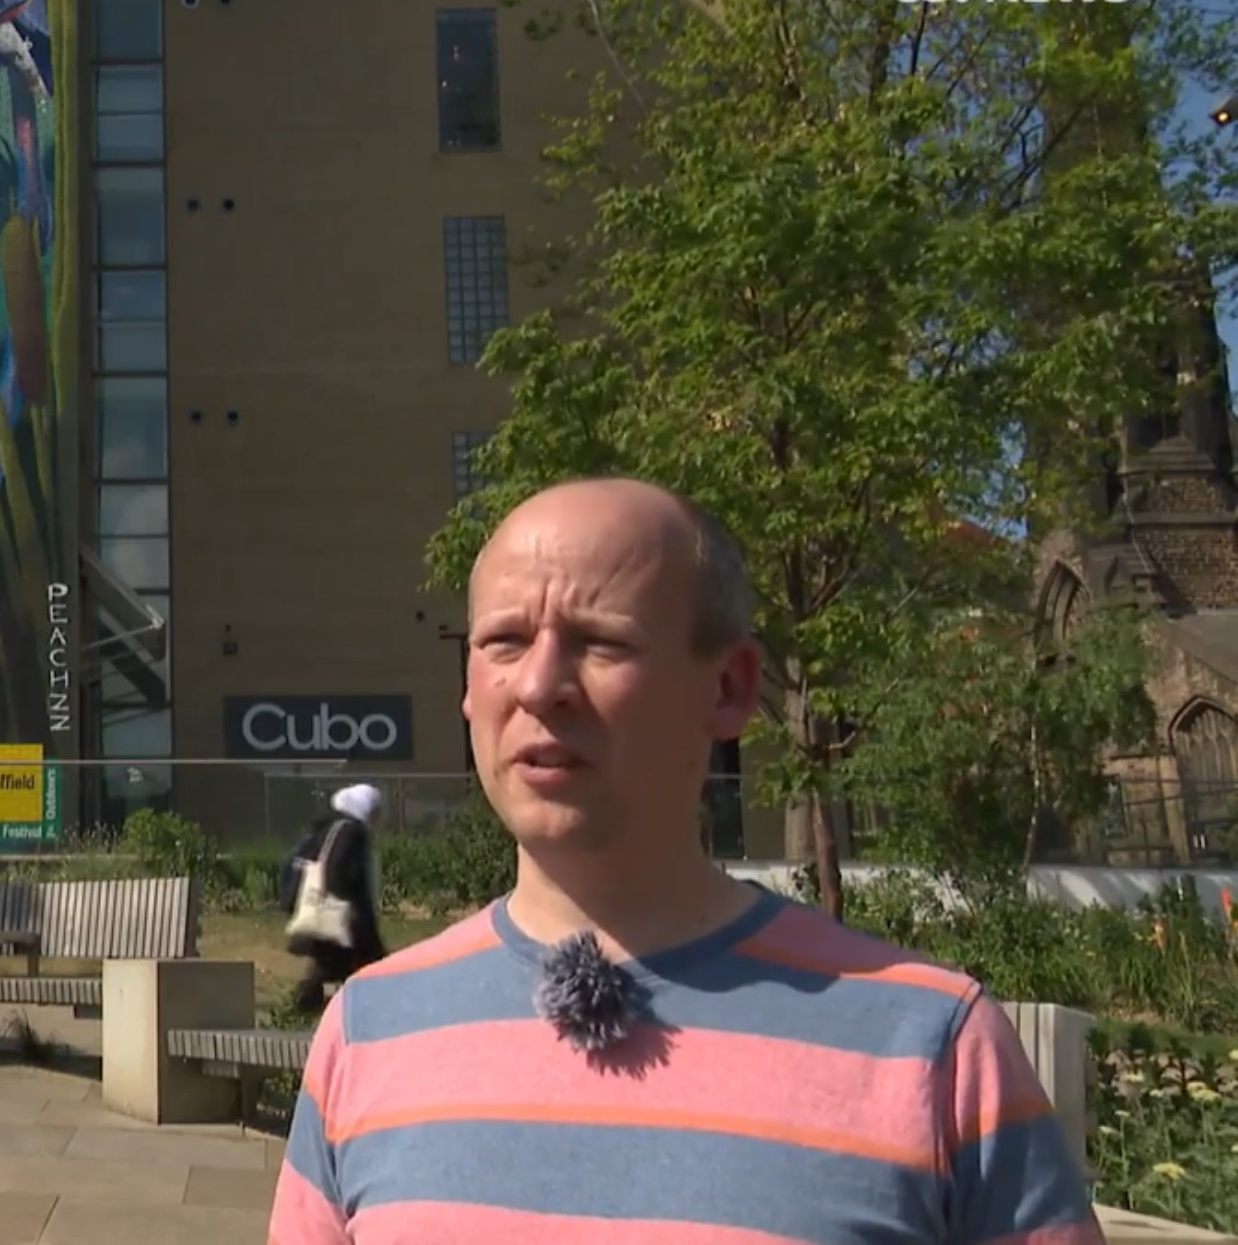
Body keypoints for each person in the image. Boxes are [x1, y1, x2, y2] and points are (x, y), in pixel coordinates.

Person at [270, 478, 1102, 1244]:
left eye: (600, 642)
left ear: (731, 688)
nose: (540, 685)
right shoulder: (370, 1032)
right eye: (505, 641)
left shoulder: (934, 1050)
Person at [283, 783, 387, 1015]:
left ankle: (302, 1015)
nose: (377, 817)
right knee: (369, 969)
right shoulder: (352, 831)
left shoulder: (327, 827)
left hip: (326, 917)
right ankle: (298, 1014)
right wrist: (351, 908)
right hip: (339, 920)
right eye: (375, 809)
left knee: (330, 970)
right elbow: (338, 874)